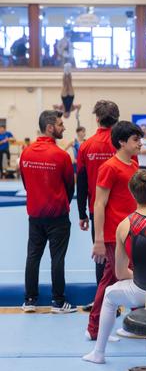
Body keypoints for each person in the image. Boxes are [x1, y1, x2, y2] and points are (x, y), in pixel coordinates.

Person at [82, 170, 146, 363]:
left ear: (132, 194)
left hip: (140, 291)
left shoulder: (124, 226)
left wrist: (139, 277)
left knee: (110, 294)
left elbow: (120, 273)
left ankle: (99, 353)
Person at [86, 120, 142, 340]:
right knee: (112, 279)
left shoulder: (134, 166)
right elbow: (99, 204)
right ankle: (94, 328)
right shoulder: (109, 167)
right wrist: (98, 239)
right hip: (113, 234)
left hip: (133, 231)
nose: (140, 144)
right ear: (121, 142)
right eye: (136, 140)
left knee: (131, 277)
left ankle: (137, 322)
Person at [20, 110, 76, 313]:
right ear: (50, 127)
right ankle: (58, 302)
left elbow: (27, 183)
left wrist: (38, 198)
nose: (64, 127)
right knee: (57, 258)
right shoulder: (61, 156)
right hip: (57, 216)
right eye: (61, 124)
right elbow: (70, 186)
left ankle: (29, 300)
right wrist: (61, 203)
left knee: (32, 256)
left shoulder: (26, 153)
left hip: (35, 215)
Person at [77, 100, 119, 287]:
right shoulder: (123, 145)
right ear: (116, 119)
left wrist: (82, 213)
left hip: (97, 209)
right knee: (124, 254)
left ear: (97, 119)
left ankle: (103, 300)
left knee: (101, 255)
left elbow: (82, 183)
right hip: (122, 210)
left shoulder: (86, 146)